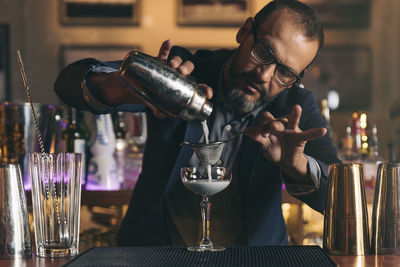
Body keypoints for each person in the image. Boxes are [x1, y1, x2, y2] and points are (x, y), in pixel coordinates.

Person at [54, 0, 340, 246]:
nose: (265, 75)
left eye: (286, 72)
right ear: (244, 31)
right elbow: (68, 84)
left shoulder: (294, 108)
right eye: (264, 52)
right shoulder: (186, 71)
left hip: (256, 259)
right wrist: (131, 86)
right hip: (155, 255)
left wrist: (298, 167)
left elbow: (339, 201)